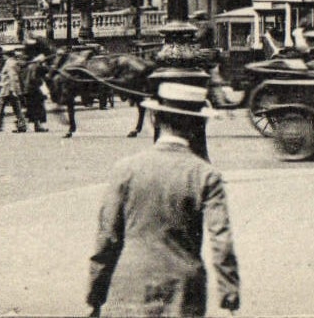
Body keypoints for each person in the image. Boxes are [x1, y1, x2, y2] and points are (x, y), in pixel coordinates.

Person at [87, 73, 240, 316]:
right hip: (183, 289)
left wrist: (96, 293)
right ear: (199, 124)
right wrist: (229, 292)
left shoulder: (126, 169)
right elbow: (221, 240)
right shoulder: (205, 174)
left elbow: (107, 237)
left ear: (154, 118)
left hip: (129, 284)